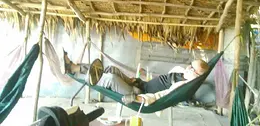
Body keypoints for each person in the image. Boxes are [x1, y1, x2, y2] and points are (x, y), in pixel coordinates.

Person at [62, 50, 209, 105]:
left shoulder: (182, 85)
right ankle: (74, 68)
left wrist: (137, 98)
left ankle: (88, 78)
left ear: (196, 75)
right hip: (140, 85)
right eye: (190, 64)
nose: (188, 67)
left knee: (111, 78)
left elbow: (161, 96)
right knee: (111, 69)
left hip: (137, 94)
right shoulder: (183, 73)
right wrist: (140, 81)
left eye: (192, 68)